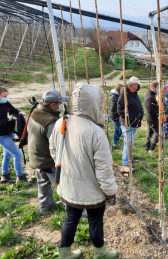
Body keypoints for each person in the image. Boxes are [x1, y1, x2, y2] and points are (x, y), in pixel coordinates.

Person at [49, 83, 118, 259]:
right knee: (95, 221)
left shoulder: (61, 122)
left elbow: (54, 150)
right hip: (91, 191)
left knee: (70, 219)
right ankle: (100, 253)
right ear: (93, 104)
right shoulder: (96, 132)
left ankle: (64, 253)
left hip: (68, 186)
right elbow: (104, 170)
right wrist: (110, 192)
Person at [27, 89, 67, 212]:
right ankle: (73, 209)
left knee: (43, 182)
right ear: (53, 105)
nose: (61, 106)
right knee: (62, 185)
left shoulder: (36, 111)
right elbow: (56, 144)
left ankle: (45, 205)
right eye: (59, 104)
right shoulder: (50, 122)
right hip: (47, 159)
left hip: (36, 155)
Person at [0, 86, 27, 183]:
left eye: (6, 96)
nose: (5, 98)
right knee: (17, 154)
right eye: (4, 96)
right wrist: (7, 120)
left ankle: (5, 176)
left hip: (9, 133)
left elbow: (14, 110)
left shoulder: (5, 103)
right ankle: (20, 176)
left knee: (7, 156)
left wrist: (20, 113)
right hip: (0, 136)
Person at [117, 76, 144, 175]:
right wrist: (129, 116)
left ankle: (130, 158)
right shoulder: (124, 94)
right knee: (128, 142)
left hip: (134, 123)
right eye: (137, 85)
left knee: (130, 142)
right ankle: (125, 163)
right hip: (128, 123)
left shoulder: (134, 94)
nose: (137, 87)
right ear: (133, 85)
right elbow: (119, 109)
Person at [144, 81, 159, 153]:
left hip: (150, 117)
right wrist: (157, 114)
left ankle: (147, 147)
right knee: (158, 133)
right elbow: (150, 109)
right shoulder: (150, 97)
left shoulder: (150, 94)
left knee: (149, 132)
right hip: (152, 118)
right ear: (153, 87)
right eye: (157, 88)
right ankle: (152, 148)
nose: (158, 89)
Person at [109, 84, 123, 148]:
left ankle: (116, 141)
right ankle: (115, 142)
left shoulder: (116, 96)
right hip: (115, 116)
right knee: (119, 130)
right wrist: (119, 112)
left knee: (118, 129)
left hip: (116, 116)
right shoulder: (115, 97)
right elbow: (112, 108)